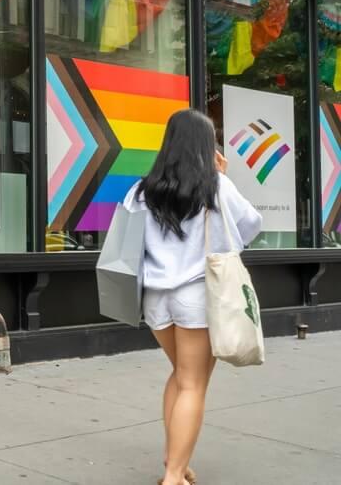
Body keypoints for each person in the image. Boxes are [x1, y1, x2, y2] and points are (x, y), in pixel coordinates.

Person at [121, 109, 262, 485]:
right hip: (197, 297)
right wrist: (224, 177)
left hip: (154, 298)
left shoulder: (140, 190)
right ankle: (172, 475)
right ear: (206, 146)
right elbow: (251, 226)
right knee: (193, 384)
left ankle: (175, 462)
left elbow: (125, 241)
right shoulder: (215, 186)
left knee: (181, 376)